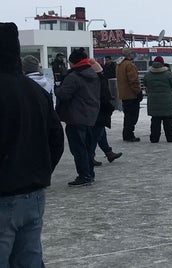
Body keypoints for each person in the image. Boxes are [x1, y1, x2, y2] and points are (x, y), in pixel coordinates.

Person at [0, 22, 64, 267]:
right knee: (30, 259)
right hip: (33, 193)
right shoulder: (35, 91)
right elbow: (56, 138)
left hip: (4, 193)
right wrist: (39, 172)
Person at [55, 47, 100, 186]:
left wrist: (57, 88)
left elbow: (64, 94)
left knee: (78, 148)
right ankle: (89, 173)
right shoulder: (93, 74)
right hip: (91, 115)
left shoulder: (73, 77)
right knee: (87, 147)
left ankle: (84, 175)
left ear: (74, 62)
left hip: (75, 116)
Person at [88, 58, 122, 166]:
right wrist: (109, 107)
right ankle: (90, 157)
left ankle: (108, 152)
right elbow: (103, 97)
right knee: (95, 135)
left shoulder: (93, 80)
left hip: (98, 111)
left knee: (101, 133)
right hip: (99, 111)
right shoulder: (98, 82)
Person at [143, 56, 172, 143]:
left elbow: (145, 83)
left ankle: (154, 138)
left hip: (153, 102)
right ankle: (171, 138)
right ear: (162, 63)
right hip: (167, 102)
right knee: (168, 122)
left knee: (155, 121)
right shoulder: (168, 74)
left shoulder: (148, 75)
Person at [116, 48, 142, 142]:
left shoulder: (119, 65)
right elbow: (133, 81)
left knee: (127, 115)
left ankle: (126, 134)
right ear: (129, 55)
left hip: (124, 94)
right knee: (132, 116)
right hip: (131, 95)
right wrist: (138, 92)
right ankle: (129, 135)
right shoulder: (129, 65)